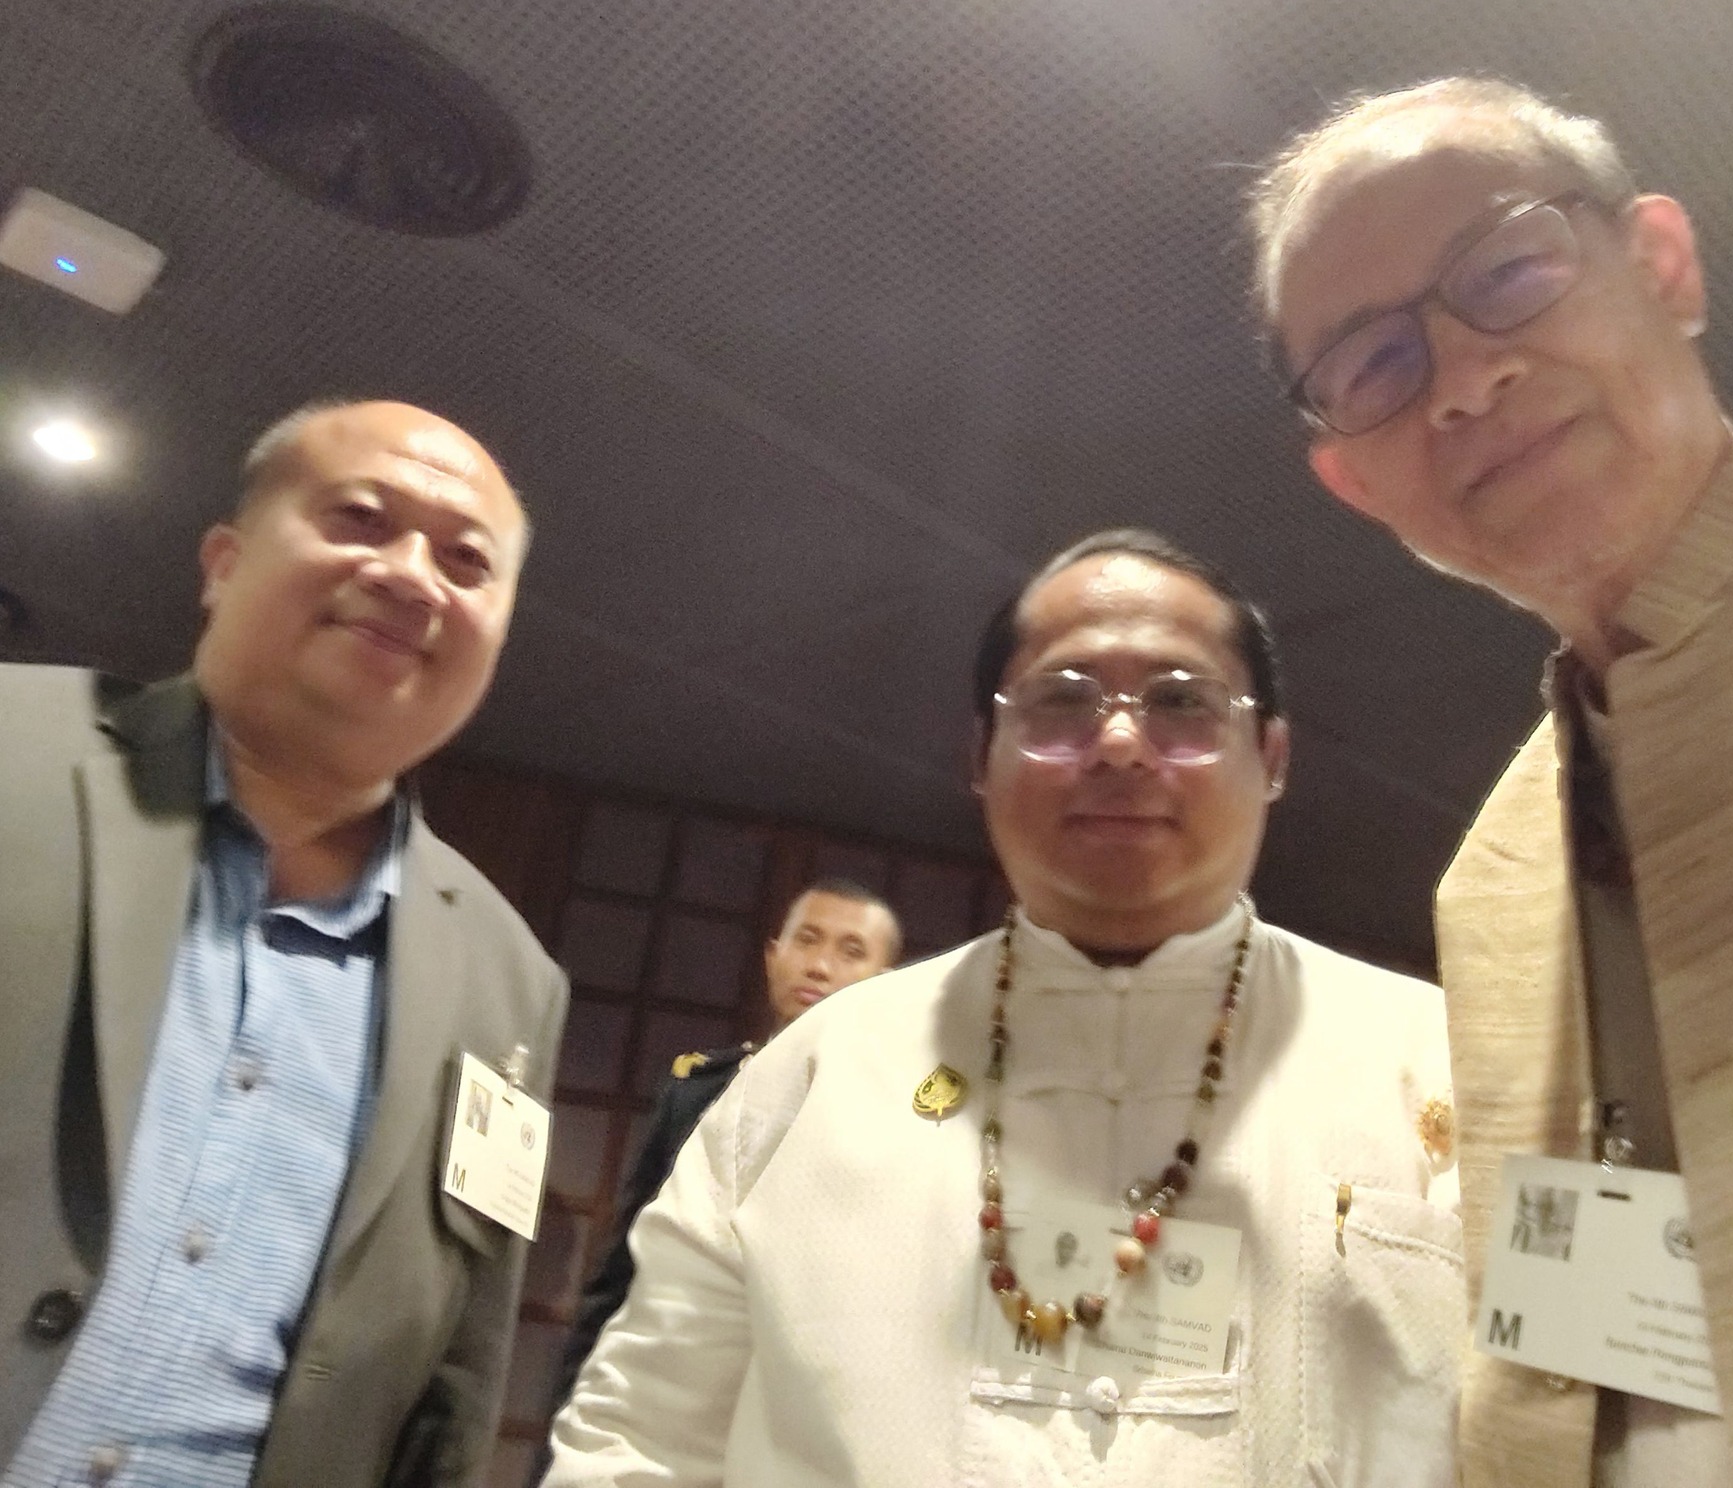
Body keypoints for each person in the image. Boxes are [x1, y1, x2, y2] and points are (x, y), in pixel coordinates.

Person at [1250, 75, 1733, 1488]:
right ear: (1357, 485)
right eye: (1376, 364)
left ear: (1663, 266)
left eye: (1506, 271)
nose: (1464, 379)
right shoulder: (1493, 880)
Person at [544, 530, 1463, 1485]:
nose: (1119, 742)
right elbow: (636, 1441)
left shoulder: (1439, 1063)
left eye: (1181, 702)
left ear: (1270, 755)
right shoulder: (811, 1076)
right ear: (982, 755)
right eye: (1062, 700)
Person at [1, 401, 567, 1487]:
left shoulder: (511, 983)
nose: (412, 576)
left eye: (466, 561)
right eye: (361, 519)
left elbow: (457, 1370)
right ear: (223, 562)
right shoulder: (13, 748)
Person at [534, 881, 900, 1474]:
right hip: (668, 1394)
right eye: (807, 940)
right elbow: (625, 1274)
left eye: (851, 951)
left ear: (886, 979)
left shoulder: (902, 1119)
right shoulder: (699, 1088)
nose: (820, 965)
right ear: (773, 955)